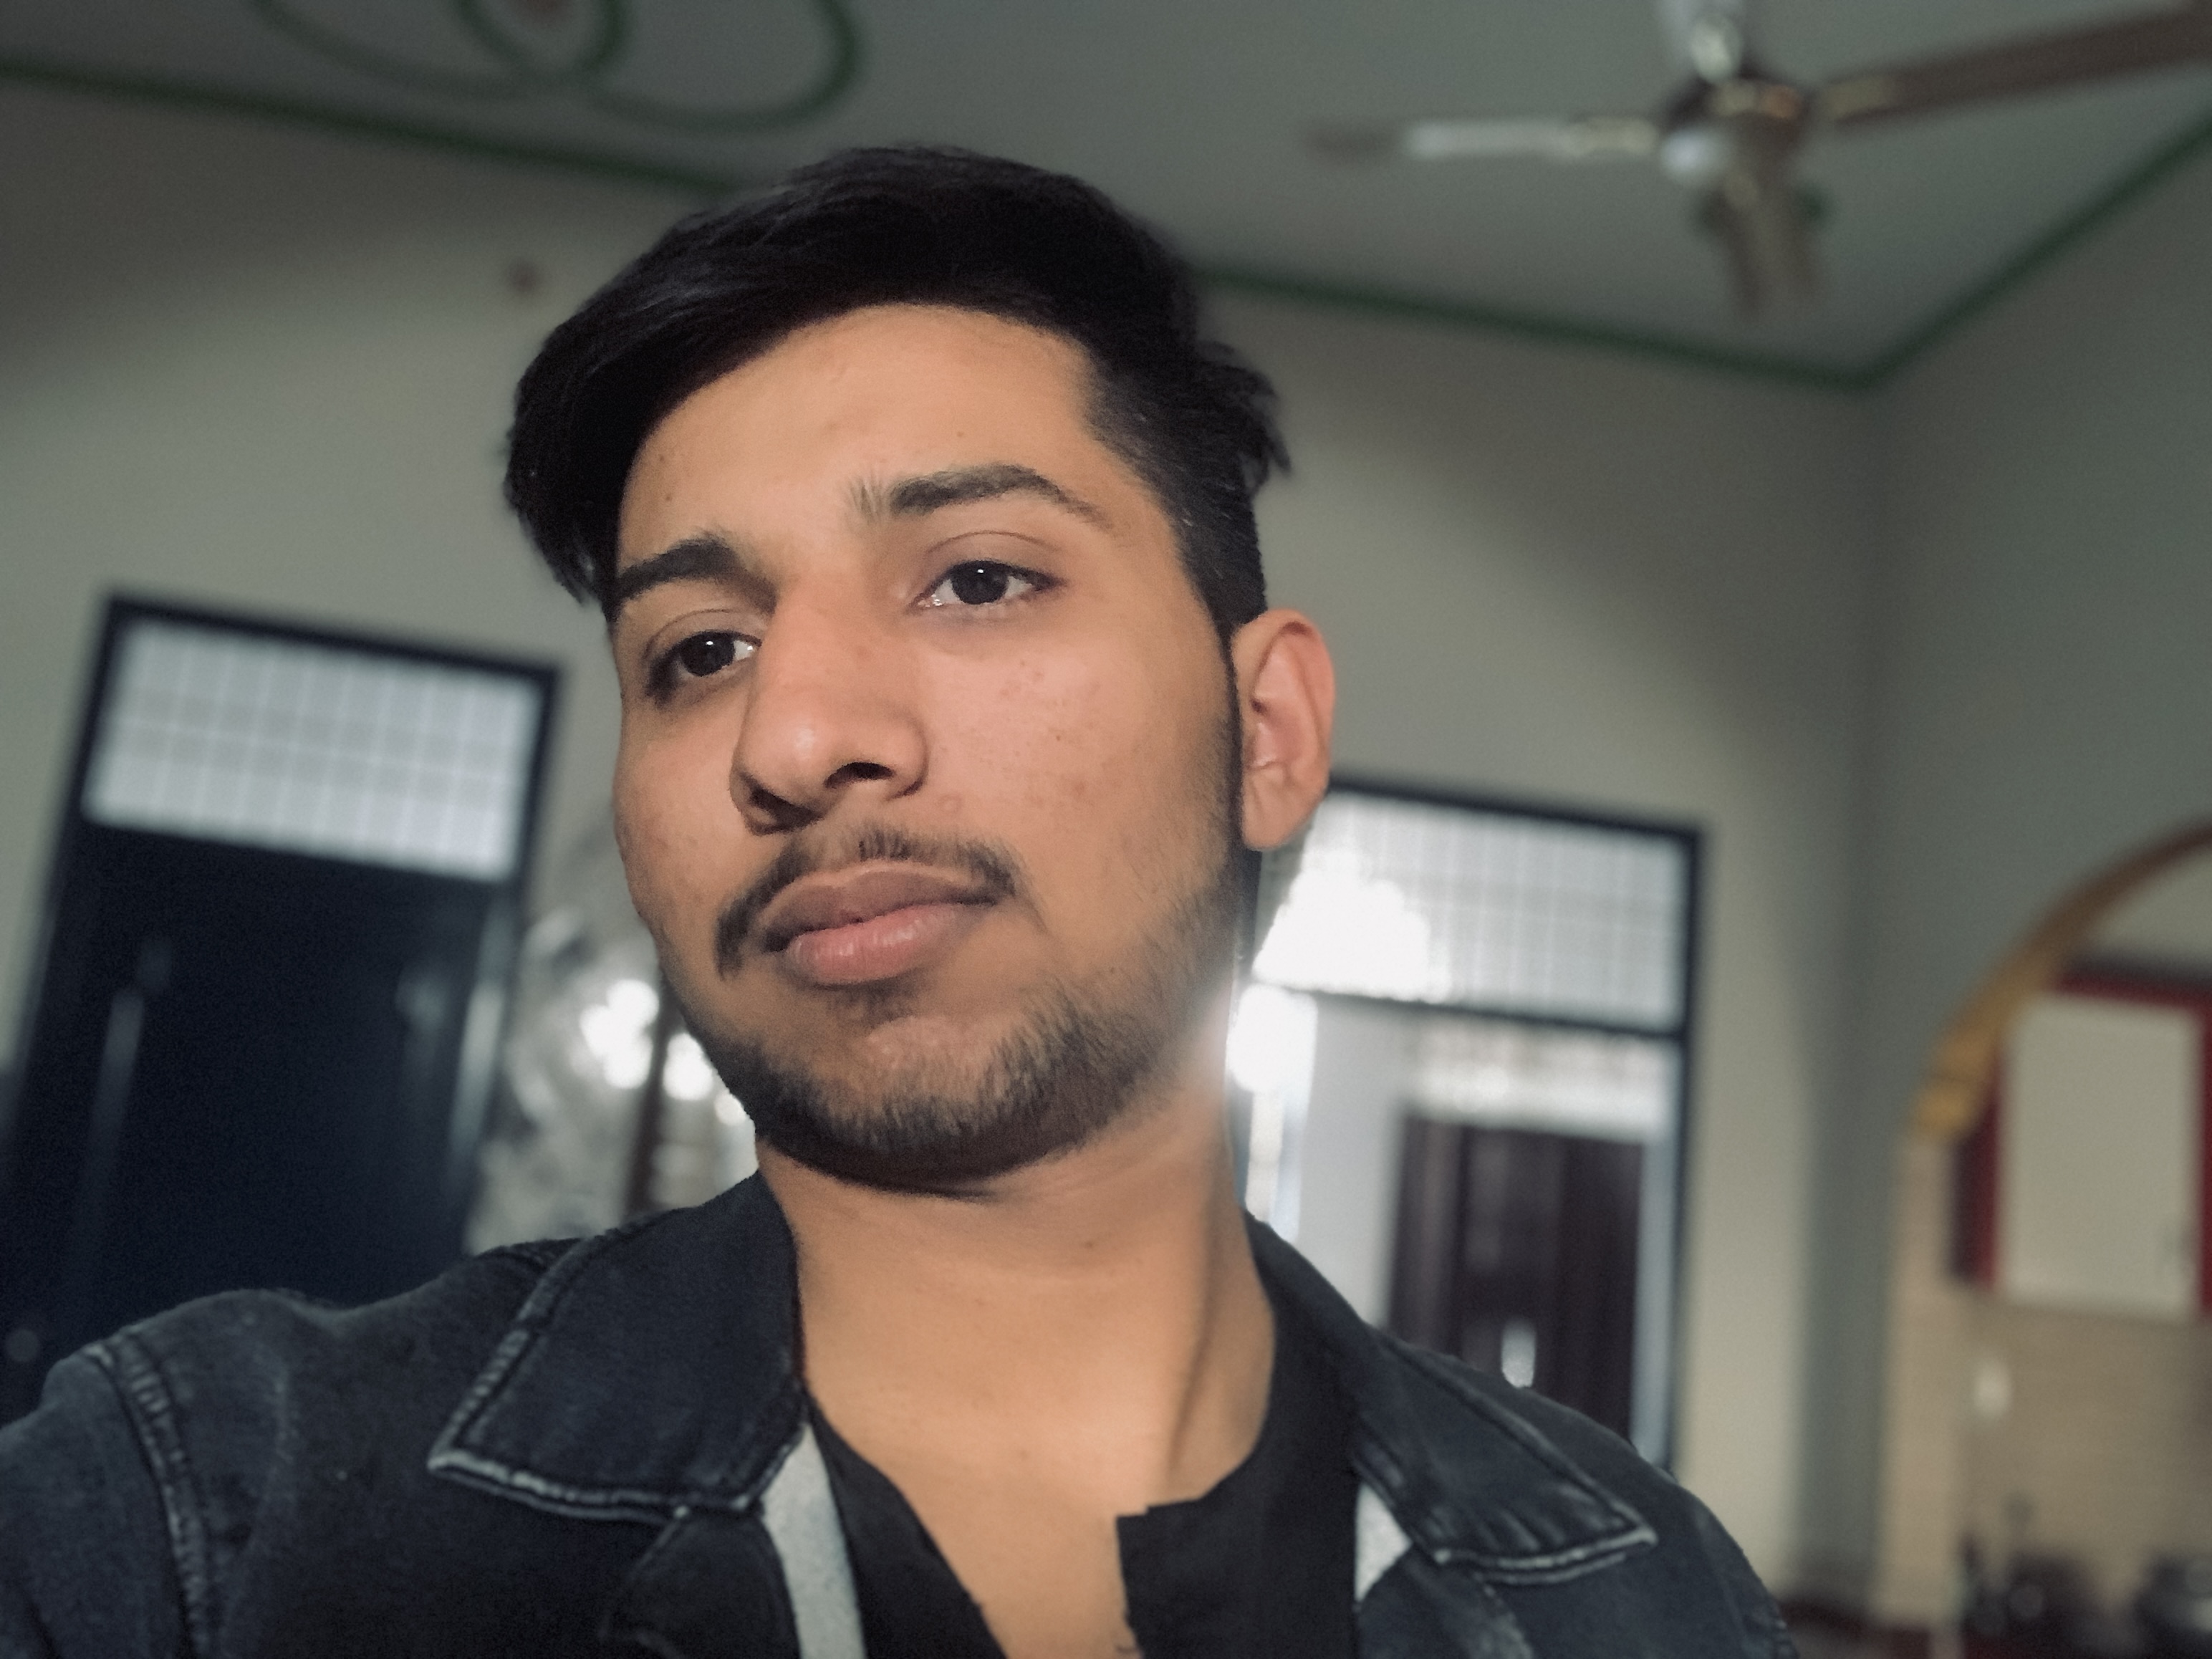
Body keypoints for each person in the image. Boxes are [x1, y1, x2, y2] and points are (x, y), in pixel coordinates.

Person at [0, 146, 1792, 1659]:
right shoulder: (207, 1516)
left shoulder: (1640, 1593)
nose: (792, 736)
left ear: (1264, 733)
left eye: (978, 579)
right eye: (699, 651)